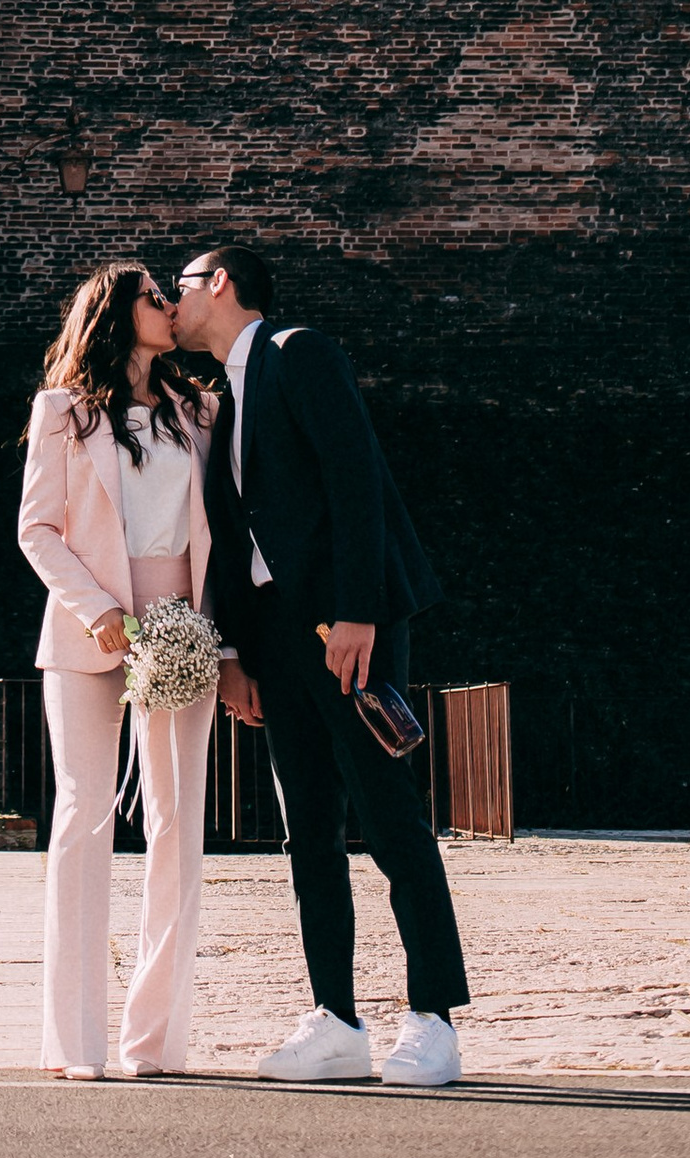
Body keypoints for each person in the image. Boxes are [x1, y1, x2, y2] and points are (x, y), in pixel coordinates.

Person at [173, 240, 469, 1090]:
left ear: (220, 284)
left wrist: (359, 610)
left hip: (348, 627)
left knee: (389, 818)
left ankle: (433, 1018)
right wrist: (232, 653)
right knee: (306, 832)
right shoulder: (217, 399)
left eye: (184, 285)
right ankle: (336, 1020)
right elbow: (231, 540)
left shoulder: (298, 352)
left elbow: (356, 481)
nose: (177, 300)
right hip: (273, 639)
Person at [18, 257, 220, 1080]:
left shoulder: (198, 410)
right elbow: (38, 530)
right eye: (154, 297)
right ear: (115, 312)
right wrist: (97, 609)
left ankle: (154, 1040)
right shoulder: (61, 412)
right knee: (83, 818)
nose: (170, 306)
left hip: (182, 629)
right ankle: (76, 1043)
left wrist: (219, 636)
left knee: (177, 829)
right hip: (89, 630)